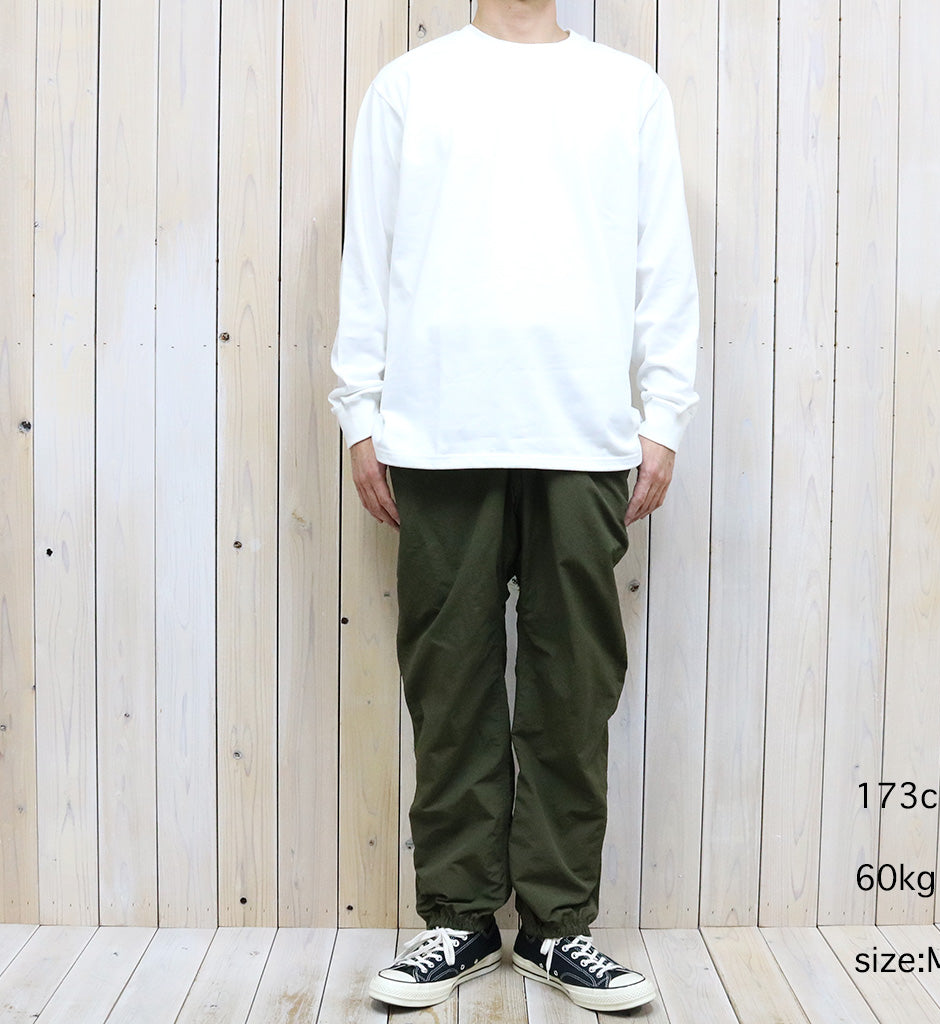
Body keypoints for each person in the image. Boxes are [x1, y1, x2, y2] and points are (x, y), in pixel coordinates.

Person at [328, 0, 699, 1012]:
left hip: (583, 433)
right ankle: (457, 918)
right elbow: (369, 256)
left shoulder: (626, 90)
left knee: (573, 688)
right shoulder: (410, 87)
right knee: (448, 683)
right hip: (437, 428)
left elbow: (661, 260)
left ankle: (556, 927)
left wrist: (664, 413)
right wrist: (359, 410)